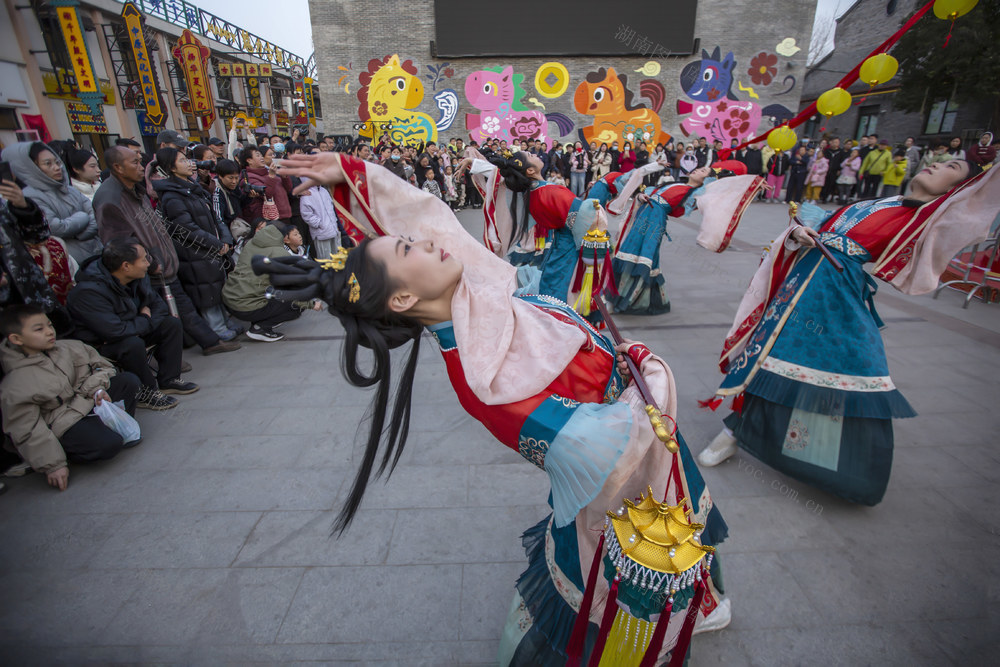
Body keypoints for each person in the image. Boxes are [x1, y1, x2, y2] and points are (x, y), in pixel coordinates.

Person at [266, 151, 729, 663]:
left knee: (691, 524)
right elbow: (610, 452)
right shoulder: (481, 376)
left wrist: (357, 175)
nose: (429, 241)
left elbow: (429, 218)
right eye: (408, 248)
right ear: (400, 301)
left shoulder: (469, 297)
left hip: (636, 443)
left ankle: (705, 602)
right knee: (624, 617)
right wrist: (651, 374)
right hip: (620, 498)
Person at [698, 159, 997, 508]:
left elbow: (971, 209)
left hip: (835, 296)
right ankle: (733, 431)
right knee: (765, 353)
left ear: (956, 190)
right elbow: (820, 225)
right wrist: (799, 232)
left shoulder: (925, 221)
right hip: (801, 279)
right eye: (938, 160)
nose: (935, 164)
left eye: (952, 166)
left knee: (836, 370)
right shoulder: (877, 201)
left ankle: (836, 462)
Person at [93, 147, 238, 357]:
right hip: (144, 268)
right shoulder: (111, 198)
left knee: (183, 307)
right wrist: (150, 262)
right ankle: (172, 362)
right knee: (163, 316)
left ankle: (209, 342)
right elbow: (119, 243)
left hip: (163, 262)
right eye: (135, 162)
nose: (141, 167)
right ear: (117, 167)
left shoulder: (136, 189)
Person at [0, 304, 141, 491]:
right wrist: (53, 465)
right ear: (16, 338)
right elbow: (28, 428)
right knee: (109, 445)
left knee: (128, 381)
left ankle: (101, 430)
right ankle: (74, 449)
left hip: (88, 401)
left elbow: (103, 366)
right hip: (63, 422)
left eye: (49, 325)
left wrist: (97, 389)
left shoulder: (69, 347)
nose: (50, 332)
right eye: (39, 329)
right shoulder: (16, 383)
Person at [461, 150, 606, 312]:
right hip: (570, 252)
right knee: (564, 302)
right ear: (530, 171)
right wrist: (599, 194)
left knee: (553, 294)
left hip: (559, 249)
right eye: (531, 155)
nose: (536, 155)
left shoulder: (532, 191)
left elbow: (502, 175)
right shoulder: (549, 192)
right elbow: (585, 217)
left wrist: (475, 164)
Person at [67, 239, 198, 410]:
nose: (148, 263)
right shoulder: (88, 292)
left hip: (133, 328)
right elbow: (115, 331)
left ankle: (169, 379)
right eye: (144, 259)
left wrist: (142, 322)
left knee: (170, 324)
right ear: (126, 266)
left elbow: (159, 307)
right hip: (101, 344)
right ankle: (146, 392)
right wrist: (143, 319)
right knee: (131, 343)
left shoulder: (137, 277)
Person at [152, 148, 239, 342]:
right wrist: (215, 243)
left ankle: (225, 321)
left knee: (217, 286)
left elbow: (216, 218)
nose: (189, 163)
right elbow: (187, 228)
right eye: (182, 161)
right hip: (195, 251)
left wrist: (224, 239)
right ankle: (215, 327)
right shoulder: (172, 195)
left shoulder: (192, 187)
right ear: (171, 168)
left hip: (212, 247)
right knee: (205, 290)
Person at [609, 165, 713, 314]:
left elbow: (708, 201)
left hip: (655, 219)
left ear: (705, 180)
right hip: (645, 212)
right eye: (699, 168)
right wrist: (640, 197)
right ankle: (617, 297)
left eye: (703, 171)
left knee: (644, 255)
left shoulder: (695, 195)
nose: (697, 170)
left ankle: (627, 300)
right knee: (630, 248)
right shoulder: (677, 183)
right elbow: (650, 194)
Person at [2, 142, 103, 264]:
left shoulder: (68, 189)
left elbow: (95, 215)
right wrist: (83, 216)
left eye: (57, 162)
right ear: (30, 167)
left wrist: (81, 234)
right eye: (48, 164)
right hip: (69, 261)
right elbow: (57, 228)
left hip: (96, 251)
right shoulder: (28, 198)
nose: (56, 167)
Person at [222, 222, 322, 342]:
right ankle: (260, 328)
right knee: (296, 306)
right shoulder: (279, 254)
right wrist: (311, 304)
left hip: (229, 299)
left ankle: (260, 320)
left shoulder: (250, 244)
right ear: (285, 238)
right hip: (245, 305)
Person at [0, 179, 74, 333]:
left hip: (28, 287)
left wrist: (22, 206)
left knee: (53, 340)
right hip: (5, 300)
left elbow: (39, 237)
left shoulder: (2, 206)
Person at [242, 145, 293, 223]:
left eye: (261, 155)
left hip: (285, 216)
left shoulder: (268, 173)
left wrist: (284, 176)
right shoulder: (249, 177)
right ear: (249, 160)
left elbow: (288, 189)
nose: (262, 158)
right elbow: (266, 194)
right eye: (258, 155)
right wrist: (271, 176)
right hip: (270, 219)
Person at [299, 182, 342, 259]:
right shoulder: (307, 193)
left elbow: (331, 209)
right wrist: (320, 224)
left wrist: (335, 223)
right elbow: (306, 214)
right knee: (325, 260)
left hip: (333, 230)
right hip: (321, 233)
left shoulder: (324, 191)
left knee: (337, 258)